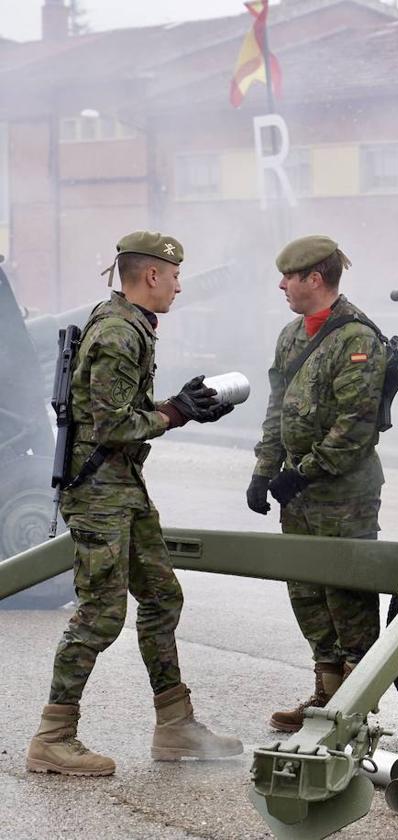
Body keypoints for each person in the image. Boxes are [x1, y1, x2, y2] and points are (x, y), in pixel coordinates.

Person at [27, 231, 242, 777]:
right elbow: (111, 424)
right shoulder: (120, 332)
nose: (177, 285)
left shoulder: (129, 323)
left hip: (121, 488)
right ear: (151, 275)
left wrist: (183, 407)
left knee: (162, 597)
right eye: (173, 275)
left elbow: (122, 409)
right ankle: (53, 736)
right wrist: (175, 412)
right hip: (100, 492)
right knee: (102, 613)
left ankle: (174, 723)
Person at [246, 235, 387, 733]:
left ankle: (355, 707)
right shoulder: (290, 336)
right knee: (307, 593)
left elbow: (354, 426)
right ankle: (325, 695)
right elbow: (277, 408)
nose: (282, 285)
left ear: (316, 279)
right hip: (297, 494)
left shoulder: (358, 339)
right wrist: (265, 470)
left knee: (347, 597)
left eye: (290, 276)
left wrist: (299, 473)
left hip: (343, 494)